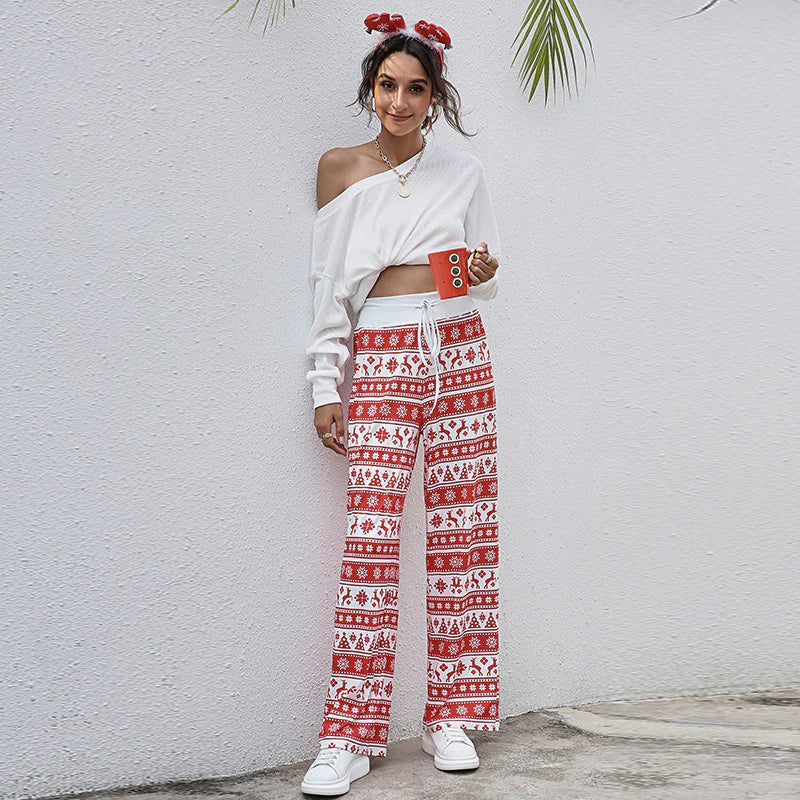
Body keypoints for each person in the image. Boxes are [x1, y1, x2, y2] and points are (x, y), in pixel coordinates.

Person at [301, 13, 502, 796]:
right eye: (389, 85)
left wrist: (479, 268)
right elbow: (327, 287)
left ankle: (448, 713)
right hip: (380, 351)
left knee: (464, 532)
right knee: (373, 536)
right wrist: (326, 384)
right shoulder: (340, 168)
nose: (401, 99)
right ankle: (349, 734)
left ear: (436, 96)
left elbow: (481, 276)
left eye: (417, 88)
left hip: (460, 347)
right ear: (370, 87)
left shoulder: (463, 173)